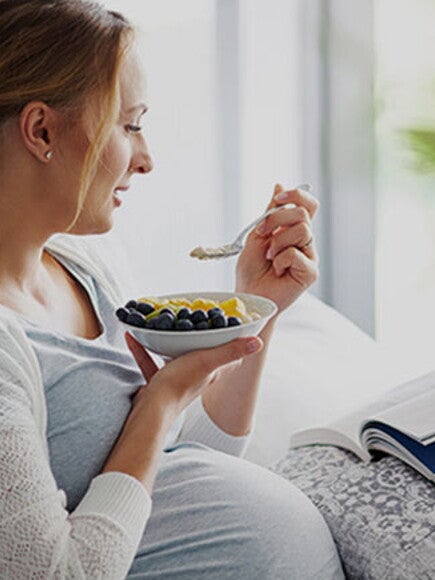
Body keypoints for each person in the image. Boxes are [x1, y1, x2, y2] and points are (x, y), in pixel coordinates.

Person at [0, 1, 345, 578]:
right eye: (130, 124)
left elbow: (184, 463)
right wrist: (157, 405)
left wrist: (256, 309)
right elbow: (55, 573)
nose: (147, 158)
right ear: (41, 130)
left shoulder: (82, 263)